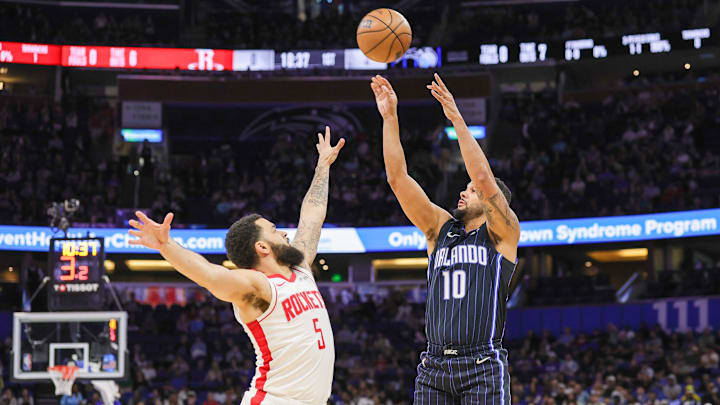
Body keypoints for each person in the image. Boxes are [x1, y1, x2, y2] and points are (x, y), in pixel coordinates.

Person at [128, 126, 344, 405]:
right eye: (275, 230)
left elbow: (312, 216)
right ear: (262, 247)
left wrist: (322, 166)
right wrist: (165, 246)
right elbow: (209, 275)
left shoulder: (300, 268)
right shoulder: (258, 287)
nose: (285, 234)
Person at [371, 74, 520, 404]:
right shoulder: (440, 229)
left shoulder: (502, 233)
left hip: (482, 364)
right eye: (464, 188)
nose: (463, 192)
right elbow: (397, 179)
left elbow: (482, 177)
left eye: (471, 191)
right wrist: (390, 117)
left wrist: (455, 115)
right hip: (434, 366)